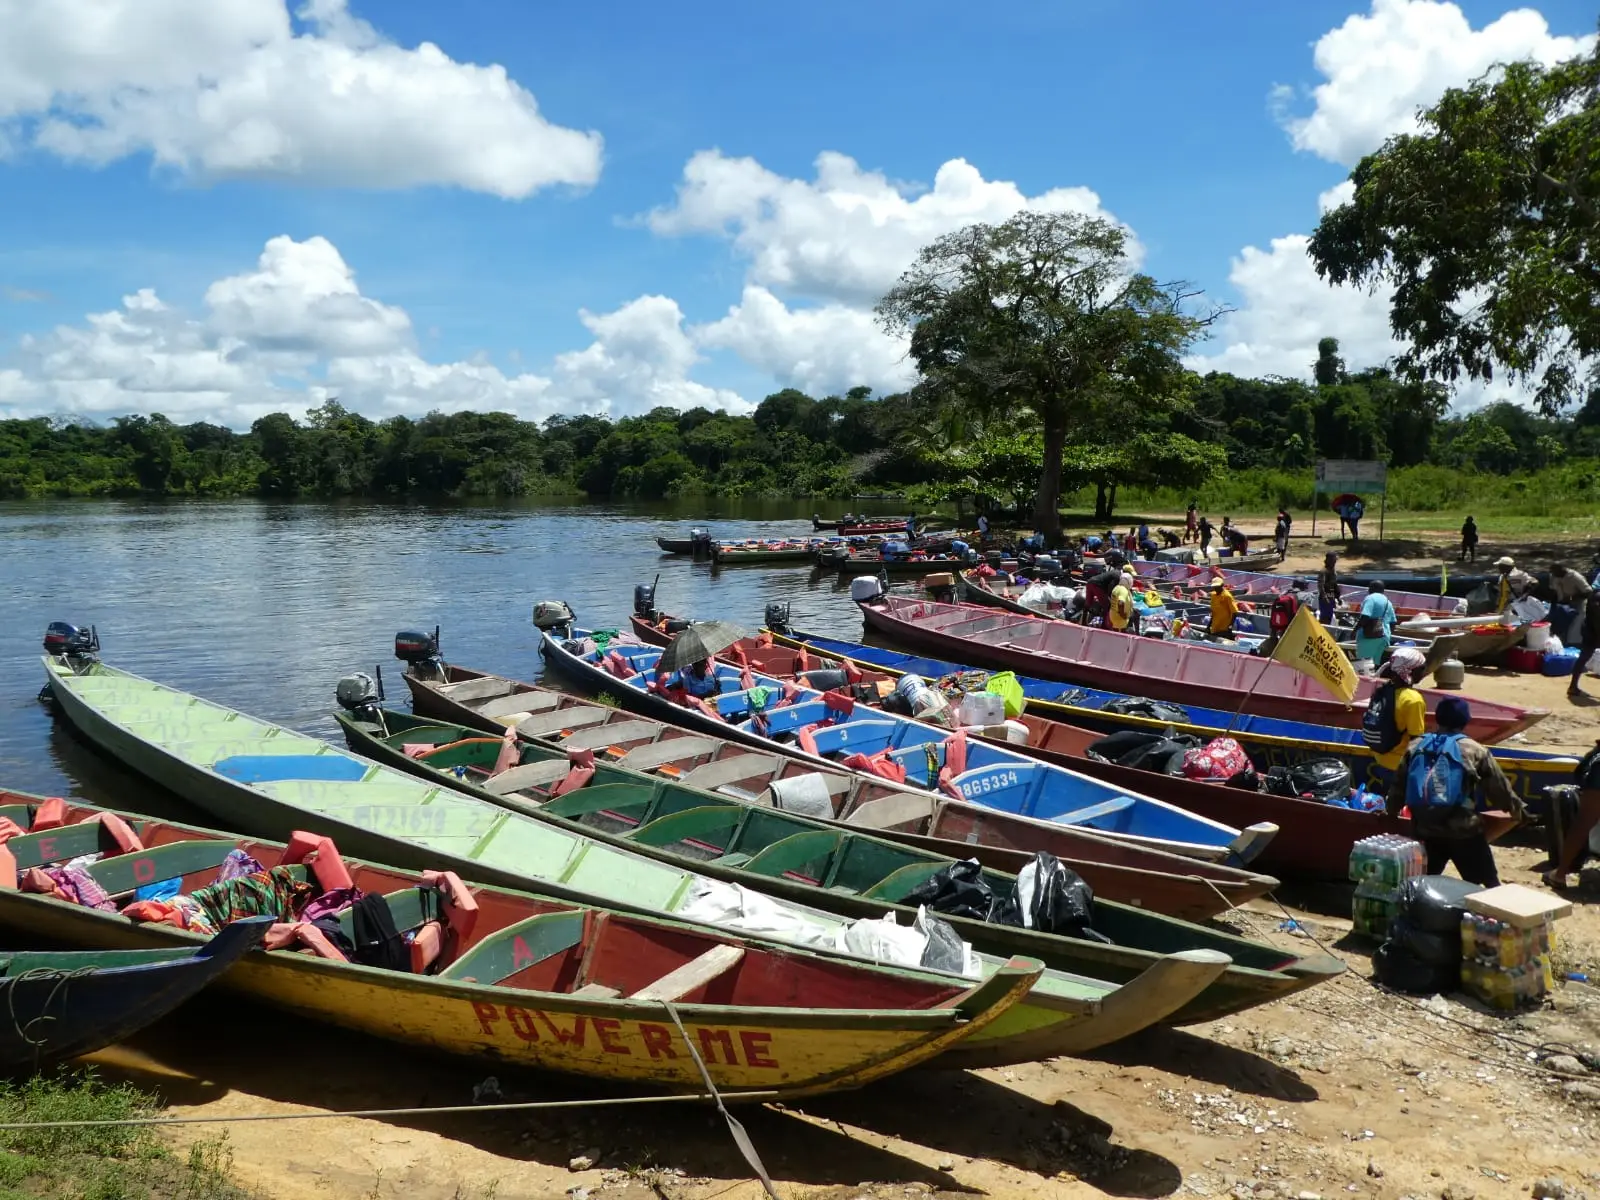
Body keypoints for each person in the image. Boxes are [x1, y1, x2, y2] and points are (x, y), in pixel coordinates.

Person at [1384, 697, 1526, 886]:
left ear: (1438, 718)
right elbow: (1499, 789)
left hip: (1425, 829)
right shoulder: (1474, 750)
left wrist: (1391, 812)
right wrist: (1518, 810)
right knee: (1489, 884)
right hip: (1464, 831)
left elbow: (1398, 787)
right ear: (1465, 721)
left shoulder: (1416, 746)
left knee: (1421, 884)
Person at [1364, 646, 1428, 773]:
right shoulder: (1413, 699)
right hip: (1398, 765)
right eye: (1422, 668)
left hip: (1379, 758)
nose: (1424, 672)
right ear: (1410, 671)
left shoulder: (1382, 689)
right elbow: (1416, 740)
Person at [1355, 580, 1398, 667]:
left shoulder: (1370, 598)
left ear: (1371, 589)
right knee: (1375, 666)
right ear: (1383, 590)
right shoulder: (1388, 602)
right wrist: (1386, 635)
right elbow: (1393, 623)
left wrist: (1354, 631)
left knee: (1363, 666)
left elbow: (1365, 616)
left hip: (1369, 638)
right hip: (1384, 639)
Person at [1569, 584, 1600, 698]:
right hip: (1592, 632)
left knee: (1583, 657)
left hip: (1591, 630)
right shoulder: (1597, 597)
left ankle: (1573, 687)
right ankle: (1573, 687)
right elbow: (1597, 619)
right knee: (1584, 657)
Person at [1317, 552, 1341, 623]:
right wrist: (1325, 598)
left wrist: (1338, 597)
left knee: (1329, 617)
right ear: (1328, 560)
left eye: (1335, 560)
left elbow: (1335, 584)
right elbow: (1320, 586)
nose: (1334, 562)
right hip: (1325, 599)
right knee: (1325, 618)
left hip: (1331, 598)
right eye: (1333, 560)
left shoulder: (1333, 571)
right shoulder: (1323, 571)